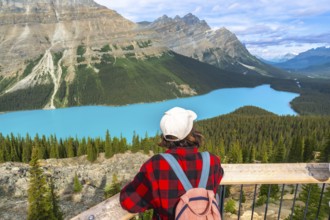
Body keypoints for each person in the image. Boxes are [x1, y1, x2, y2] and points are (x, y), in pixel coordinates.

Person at [120, 107, 224, 219]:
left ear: (165, 136)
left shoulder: (156, 165)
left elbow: (129, 203)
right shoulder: (212, 161)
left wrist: (155, 198)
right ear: (191, 131)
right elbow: (217, 180)